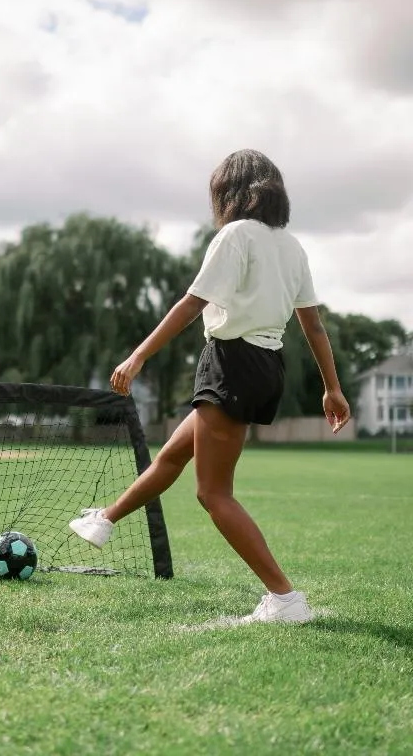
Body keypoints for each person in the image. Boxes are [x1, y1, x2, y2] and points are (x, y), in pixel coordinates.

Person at [69, 149, 350, 624]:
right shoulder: (291, 245)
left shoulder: (236, 235)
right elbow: (314, 325)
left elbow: (194, 301)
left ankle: (284, 598)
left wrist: (138, 355)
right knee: (174, 455)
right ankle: (106, 519)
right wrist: (333, 387)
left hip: (231, 361)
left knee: (213, 493)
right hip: (265, 365)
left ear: (229, 192)